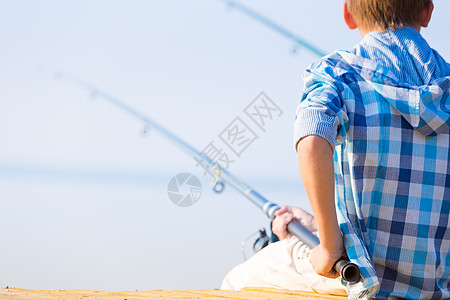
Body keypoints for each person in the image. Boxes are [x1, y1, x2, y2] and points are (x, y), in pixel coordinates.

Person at [222, 0, 450, 299]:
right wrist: (317, 223)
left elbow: (312, 139)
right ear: (427, 11)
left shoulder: (337, 72)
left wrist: (328, 244)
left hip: (359, 275)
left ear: (348, 15)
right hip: (436, 285)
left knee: (236, 281)